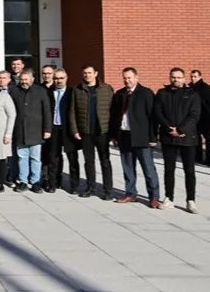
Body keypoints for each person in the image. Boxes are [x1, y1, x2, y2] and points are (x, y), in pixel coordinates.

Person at [109, 68, 161, 208]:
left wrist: (152, 137)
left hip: (141, 137)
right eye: (125, 78)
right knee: (128, 167)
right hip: (124, 135)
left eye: (129, 78)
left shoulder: (146, 93)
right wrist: (114, 135)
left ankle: (154, 197)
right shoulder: (120, 94)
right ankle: (131, 193)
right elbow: (114, 116)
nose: (127, 80)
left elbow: (152, 117)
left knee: (148, 169)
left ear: (136, 77)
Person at [155, 68, 201, 213]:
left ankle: (190, 200)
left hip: (187, 137)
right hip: (168, 137)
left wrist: (180, 130)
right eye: (174, 77)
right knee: (169, 169)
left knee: (189, 170)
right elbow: (158, 112)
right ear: (170, 78)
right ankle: (169, 198)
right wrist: (169, 128)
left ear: (184, 78)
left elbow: (194, 115)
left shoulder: (192, 94)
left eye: (179, 77)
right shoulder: (162, 93)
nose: (176, 80)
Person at [69, 64, 115, 200]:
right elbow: (72, 111)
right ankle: (90, 188)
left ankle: (108, 190)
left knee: (105, 161)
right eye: (85, 73)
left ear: (95, 73)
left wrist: (112, 132)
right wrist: (75, 130)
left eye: (89, 73)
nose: (87, 75)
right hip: (86, 131)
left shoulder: (106, 89)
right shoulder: (77, 89)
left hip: (102, 131)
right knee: (89, 162)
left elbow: (113, 110)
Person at [10, 69, 52, 193]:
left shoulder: (40, 91)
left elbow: (47, 111)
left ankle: (35, 182)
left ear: (32, 79)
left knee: (35, 158)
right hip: (20, 130)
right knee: (22, 158)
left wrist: (47, 129)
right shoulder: (15, 91)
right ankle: (23, 181)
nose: (24, 82)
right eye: (22, 79)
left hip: (36, 131)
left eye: (26, 79)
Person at [45, 69, 75, 193]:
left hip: (68, 129)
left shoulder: (72, 92)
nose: (58, 81)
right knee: (53, 157)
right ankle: (53, 183)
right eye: (56, 78)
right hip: (54, 128)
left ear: (66, 78)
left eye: (61, 78)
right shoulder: (48, 92)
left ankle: (74, 186)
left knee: (72, 158)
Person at [189, 69, 210, 165]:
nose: (193, 78)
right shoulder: (190, 88)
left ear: (200, 77)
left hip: (206, 117)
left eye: (195, 76)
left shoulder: (205, 88)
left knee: (208, 139)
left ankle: (208, 160)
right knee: (195, 138)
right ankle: (197, 158)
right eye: (192, 77)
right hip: (195, 118)